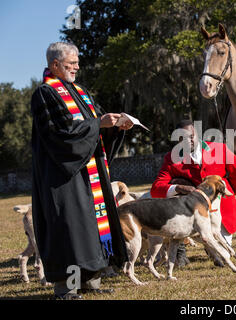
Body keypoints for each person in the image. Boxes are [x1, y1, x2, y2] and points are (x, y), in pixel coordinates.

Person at [31, 42, 133, 300]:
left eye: (77, 62)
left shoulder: (80, 91)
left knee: (92, 226)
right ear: (55, 65)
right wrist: (98, 124)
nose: (77, 67)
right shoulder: (45, 94)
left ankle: (90, 281)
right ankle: (67, 288)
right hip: (63, 176)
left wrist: (114, 127)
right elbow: (59, 134)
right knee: (70, 229)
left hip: (90, 173)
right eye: (71, 64)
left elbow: (95, 124)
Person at [151, 120, 236, 266]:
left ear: (198, 135)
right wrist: (178, 188)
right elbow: (156, 188)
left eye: (191, 136)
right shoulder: (171, 158)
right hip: (195, 215)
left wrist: (230, 190)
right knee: (215, 249)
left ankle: (213, 249)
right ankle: (192, 247)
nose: (188, 140)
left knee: (223, 255)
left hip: (222, 211)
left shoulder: (219, 149)